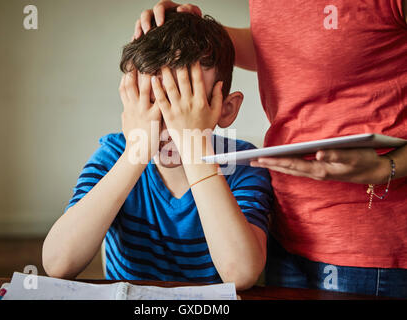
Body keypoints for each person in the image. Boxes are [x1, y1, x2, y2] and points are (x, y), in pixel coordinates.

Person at [136, 1, 407, 298]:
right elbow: (287, 42)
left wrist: (388, 167)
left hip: (371, 240)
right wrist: (201, 34)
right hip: (286, 228)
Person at [42, 11, 273, 290]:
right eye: (151, 103)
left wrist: (193, 149)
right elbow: (57, 263)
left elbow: (242, 274)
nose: (167, 125)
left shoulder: (243, 165)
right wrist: (135, 154)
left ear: (226, 109)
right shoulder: (113, 155)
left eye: (185, 106)